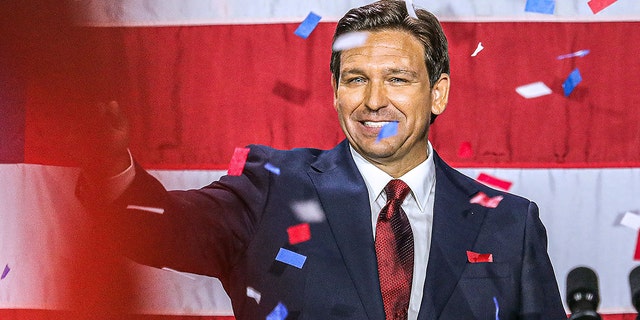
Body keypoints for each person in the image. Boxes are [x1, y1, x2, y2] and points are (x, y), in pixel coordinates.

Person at [76, 1, 566, 319]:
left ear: (437, 93)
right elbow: (152, 228)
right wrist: (108, 163)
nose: (374, 101)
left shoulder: (509, 222)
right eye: (355, 79)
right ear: (334, 92)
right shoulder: (269, 190)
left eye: (397, 78)